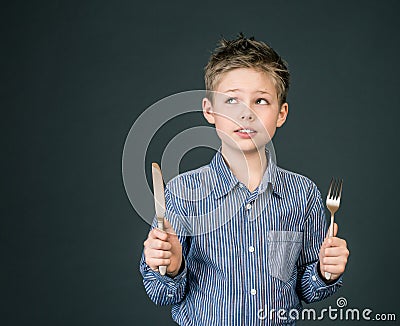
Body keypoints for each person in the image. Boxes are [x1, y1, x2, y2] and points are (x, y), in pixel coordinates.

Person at [140, 34, 349, 325]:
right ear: (209, 110)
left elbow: (306, 289)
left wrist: (325, 273)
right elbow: (162, 294)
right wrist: (172, 268)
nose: (246, 114)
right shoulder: (181, 193)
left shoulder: (305, 195)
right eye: (232, 100)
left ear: (281, 113)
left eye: (260, 101)